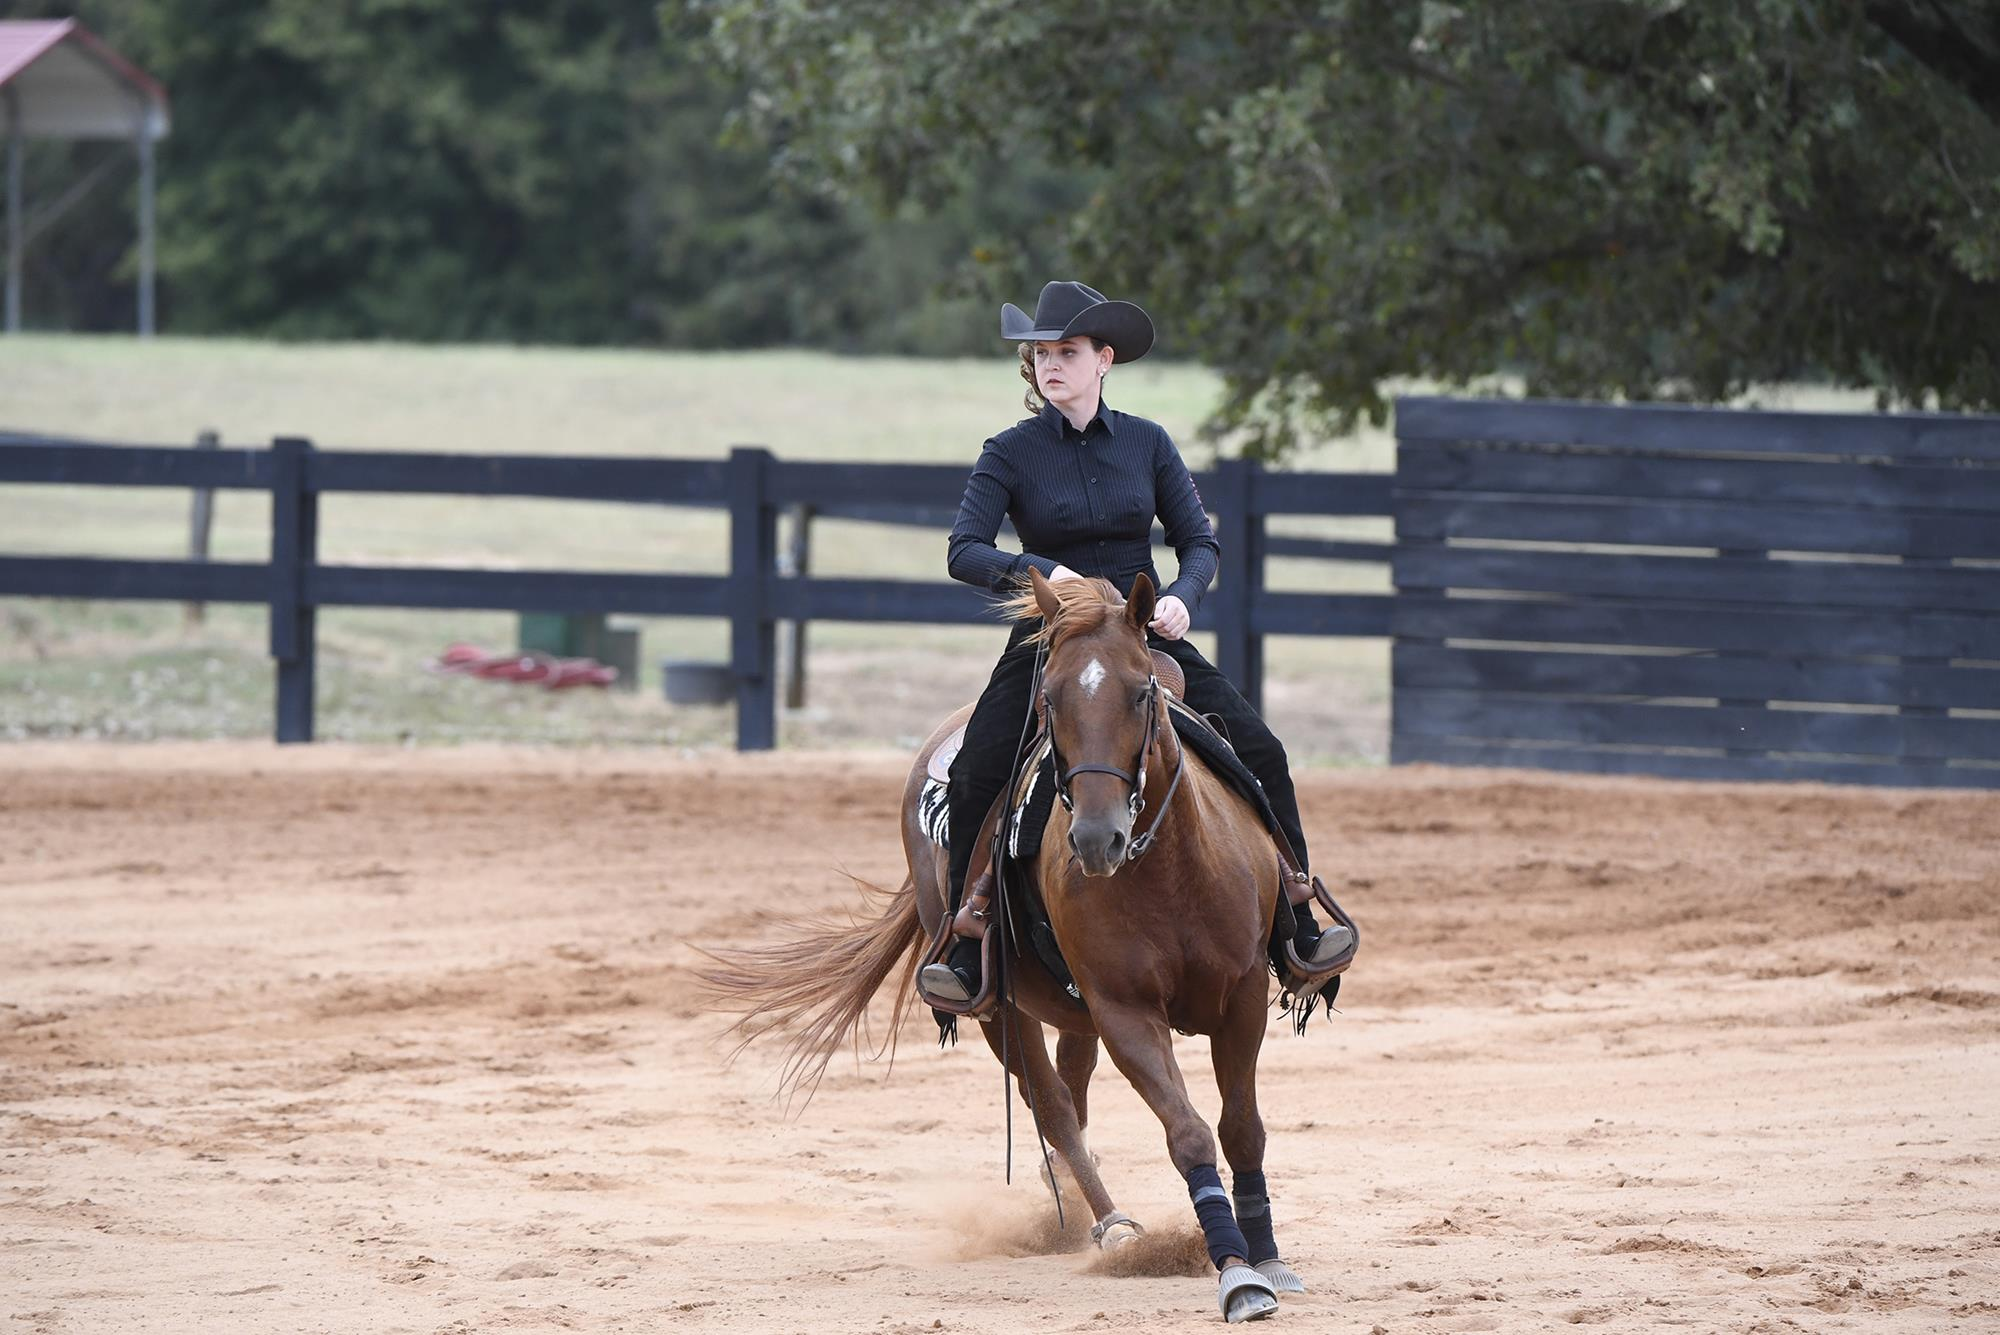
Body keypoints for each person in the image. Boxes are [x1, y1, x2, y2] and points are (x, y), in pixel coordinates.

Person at [919, 280, 1353, 1006]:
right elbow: (963, 549)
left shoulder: (1148, 443)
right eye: (1041, 354)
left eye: (1067, 351)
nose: (1050, 365)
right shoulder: (1009, 452)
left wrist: (1184, 597)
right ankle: (970, 938)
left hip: (1140, 634)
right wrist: (1039, 571)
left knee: (1262, 750)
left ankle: (1298, 917)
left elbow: (1199, 541)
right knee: (977, 771)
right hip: (1050, 636)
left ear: (1103, 359)